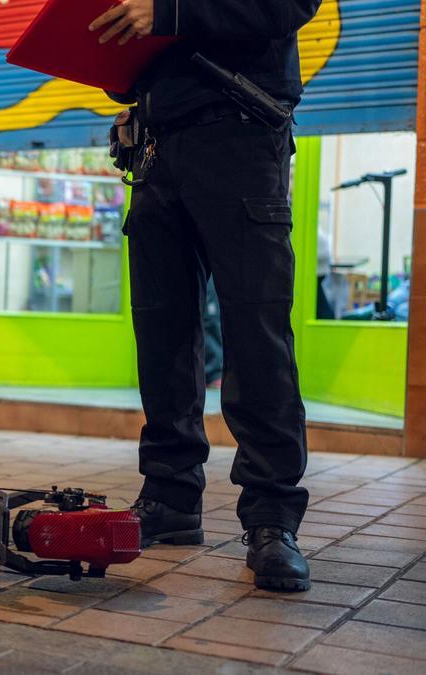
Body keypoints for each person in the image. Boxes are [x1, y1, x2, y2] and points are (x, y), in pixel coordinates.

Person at [92, 0, 322, 592]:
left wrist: (168, 12)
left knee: (255, 333)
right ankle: (170, 497)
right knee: (161, 331)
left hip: (240, 133)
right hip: (154, 147)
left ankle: (272, 516)